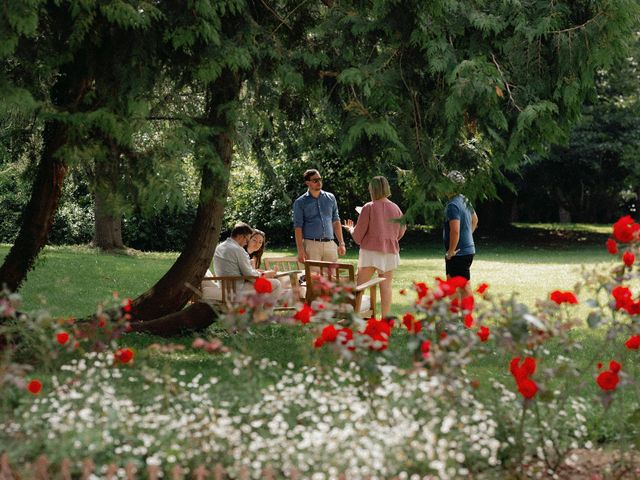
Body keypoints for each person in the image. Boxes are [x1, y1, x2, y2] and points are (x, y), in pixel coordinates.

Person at [342, 176, 406, 318]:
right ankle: (386, 320)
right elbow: (401, 231)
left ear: (372, 189)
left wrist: (350, 229)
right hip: (390, 252)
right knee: (386, 287)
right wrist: (389, 240)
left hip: (370, 252)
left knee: (360, 287)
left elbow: (358, 237)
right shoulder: (396, 208)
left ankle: (354, 318)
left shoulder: (368, 207)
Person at [208, 222, 281, 301]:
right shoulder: (238, 250)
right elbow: (251, 276)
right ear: (241, 236)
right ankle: (264, 312)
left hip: (223, 286)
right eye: (247, 239)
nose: (246, 243)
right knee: (276, 284)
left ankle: (257, 310)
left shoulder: (220, 247)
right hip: (237, 289)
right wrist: (265, 274)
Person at [293, 169, 347, 264]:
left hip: (330, 244)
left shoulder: (331, 198)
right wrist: (300, 250)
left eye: (320, 179)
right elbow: (298, 227)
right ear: (307, 183)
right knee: (313, 277)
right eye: (315, 180)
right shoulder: (300, 202)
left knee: (331, 277)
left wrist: (341, 243)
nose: (319, 182)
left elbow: (336, 221)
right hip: (311, 245)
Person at [442, 170, 478, 296]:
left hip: (459, 253)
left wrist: (451, 251)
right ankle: (455, 314)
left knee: (464, 287)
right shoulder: (464, 199)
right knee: (451, 284)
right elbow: (475, 220)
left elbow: (455, 230)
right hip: (465, 251)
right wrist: (468, 236)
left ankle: (469, 315)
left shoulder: (452, 205)